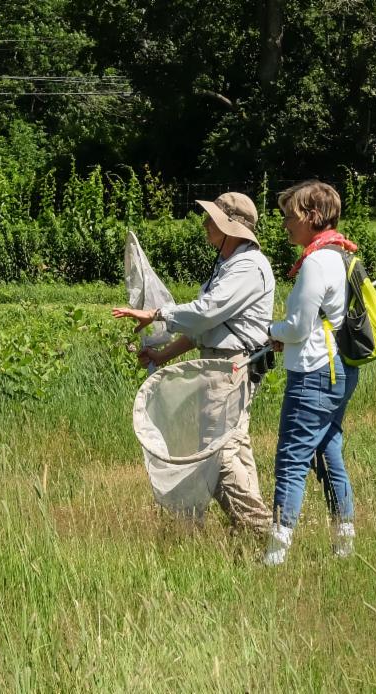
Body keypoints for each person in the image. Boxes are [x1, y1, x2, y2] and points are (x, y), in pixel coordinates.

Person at [112, 192, 275, 533]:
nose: (204, 224)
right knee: (234, 449)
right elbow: (205, 328)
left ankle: (258, 529)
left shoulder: (248, 267)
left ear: (229, 227)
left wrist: (157, 313)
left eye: (211, 219)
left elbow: (206, 313)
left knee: (218, 454)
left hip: (230, 368)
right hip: (220, 367)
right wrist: (163, 355)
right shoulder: (229, 265)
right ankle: (260, 532)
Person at [263, 180, 361, 566]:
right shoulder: (339, 254)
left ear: (313, 216)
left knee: (291, 458)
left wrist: (271, 331)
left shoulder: (317, 262)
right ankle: (344, 542)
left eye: (291, 216)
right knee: (326, 451)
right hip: (338, 370)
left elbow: (299, 328)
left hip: (314, 374)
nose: (285, 223)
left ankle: (276, 551)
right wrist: (285, 335)